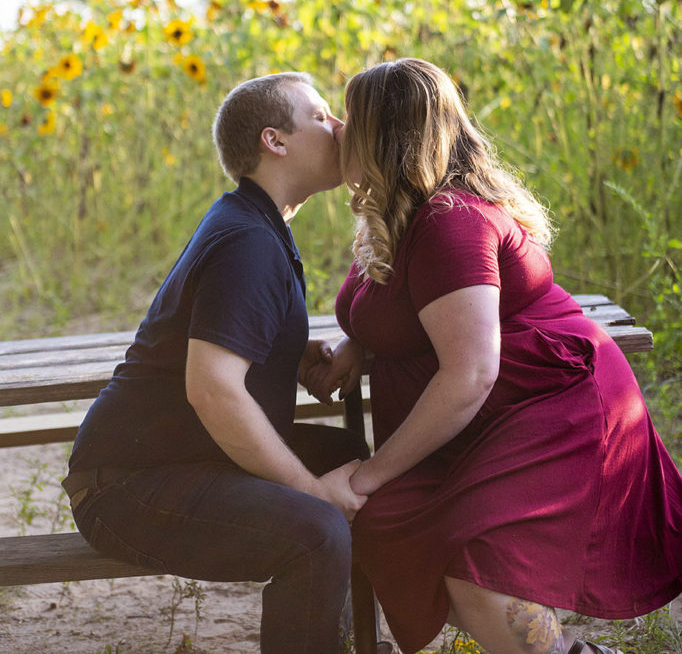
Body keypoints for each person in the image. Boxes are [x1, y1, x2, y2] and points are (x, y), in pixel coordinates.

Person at [307, 58, 682, 654]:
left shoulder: (450, 223)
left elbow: (472, 371)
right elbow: (414, 303)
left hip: (546, 405)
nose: (336, 126)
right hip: (479, 416)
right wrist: (363, 343)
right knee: (388, 527)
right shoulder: (401, 211)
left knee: (480, 567)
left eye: (350, 116)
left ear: (387, 137)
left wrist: (366, 474)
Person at [61, 71, 370, 654]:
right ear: (274, 141)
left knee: (355, 464)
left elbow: (218, 339)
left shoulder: (254, 223)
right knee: (318, 529)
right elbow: (213, 390)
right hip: (128, 486)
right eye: (322, 116)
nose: (340, 127)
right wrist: (310, 492)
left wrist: (284, 349)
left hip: (183, 459)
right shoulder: (248, 240)